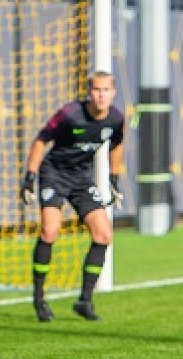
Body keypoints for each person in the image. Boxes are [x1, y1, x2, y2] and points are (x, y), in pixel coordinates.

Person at [21, 71, 125, 322]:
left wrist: (113, 180)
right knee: (50, 231)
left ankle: (85, 301)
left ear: (113, 93)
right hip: (54, 174)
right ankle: (39, 298)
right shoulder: (70, 113)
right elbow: (40, 141)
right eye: (96, 90)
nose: (101, 96)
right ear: (89, 93)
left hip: (80, 178)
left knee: (103, 234)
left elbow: (117, 144)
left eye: (106, 90)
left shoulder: (116, 118)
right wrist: (30, 178)